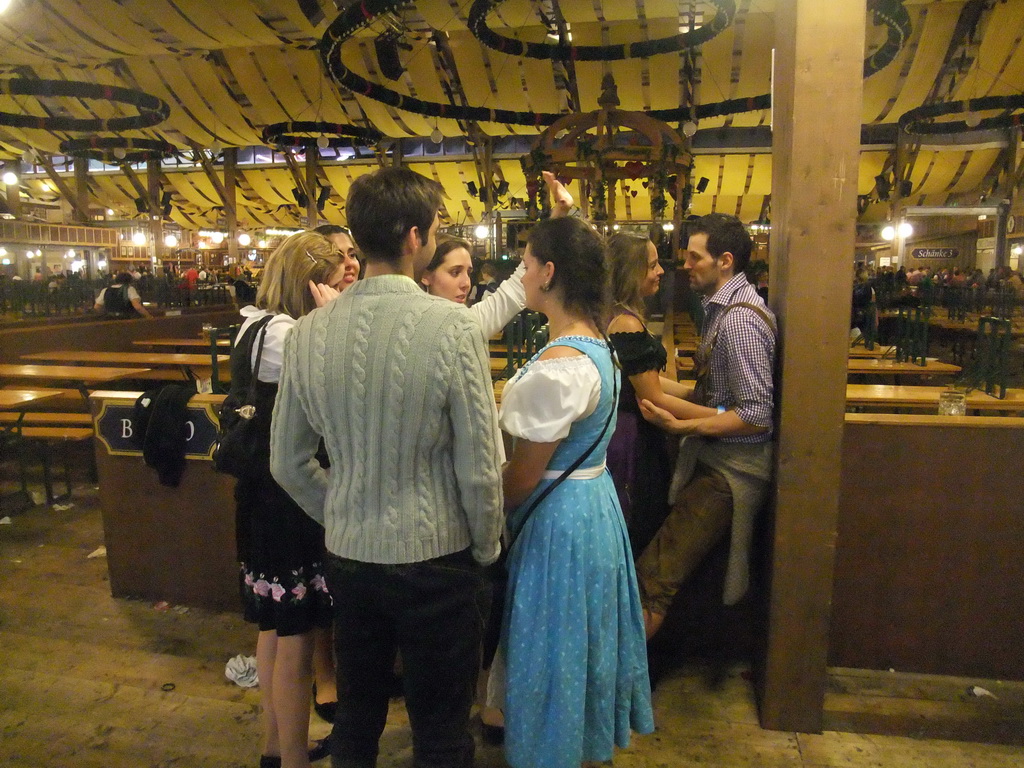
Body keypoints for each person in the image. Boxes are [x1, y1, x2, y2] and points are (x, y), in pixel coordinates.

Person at [272, 166, 504, 768]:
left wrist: (345, 511)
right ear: (413, 238)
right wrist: (486, 547)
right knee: (442, 731)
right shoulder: (455, 329)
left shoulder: (307, 335)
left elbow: (288, 461)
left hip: (351, 558)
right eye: (433, 231)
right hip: (439, 560)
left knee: (356, 721)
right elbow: (479, 465)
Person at [496, 216, 653, 768]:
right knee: (583, 638)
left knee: (552, 641)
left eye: (527, 262)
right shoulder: (599, 346)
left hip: (559, 520)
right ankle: (580, 745)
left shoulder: (558, 368)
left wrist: (487, 498)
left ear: (549, 272)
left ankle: (550, 749)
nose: (523, 271)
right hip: (595, 508)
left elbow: (521, 480)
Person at [229, 231, 348, 768]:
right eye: (328, 280)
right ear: (309, 284)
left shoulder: (253, 325)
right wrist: (335, 320)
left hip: (258, 490)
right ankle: (294, 758)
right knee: (296, 636)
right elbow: (343, 382)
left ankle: (274, 748)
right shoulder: (293, 334)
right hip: (288, 494)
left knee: (275, 627)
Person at [635, 213, 776, 641]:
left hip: (732, 471)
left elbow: (754, 413)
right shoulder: (726, 310)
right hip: (719, 461)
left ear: (725, 261)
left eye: (695, 257)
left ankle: (623, 688)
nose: (685, 265)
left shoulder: (739, 321)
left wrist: (682, 428)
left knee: (653, 579)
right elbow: (716, 397)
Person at [605, 233, 712, 555]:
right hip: (633, 440)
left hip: (625, 432)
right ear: (630, 273)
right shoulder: (624, 322)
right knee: (641, 525)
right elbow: (654, 397)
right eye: (652, 265)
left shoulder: (614, 314)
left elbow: (645, 379)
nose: (661, 271)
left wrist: (695, 396)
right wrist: (723, 415)